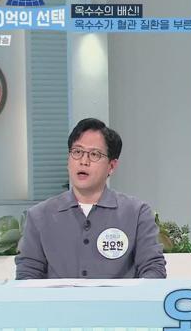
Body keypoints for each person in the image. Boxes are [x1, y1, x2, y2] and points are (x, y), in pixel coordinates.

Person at [16, 118, 166, 279]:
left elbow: (153, 269)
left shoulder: (136, 213)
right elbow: (27, 274)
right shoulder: (39, 216)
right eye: (77, 152)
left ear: (111, 166)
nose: (83, 161)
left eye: (94, 154)